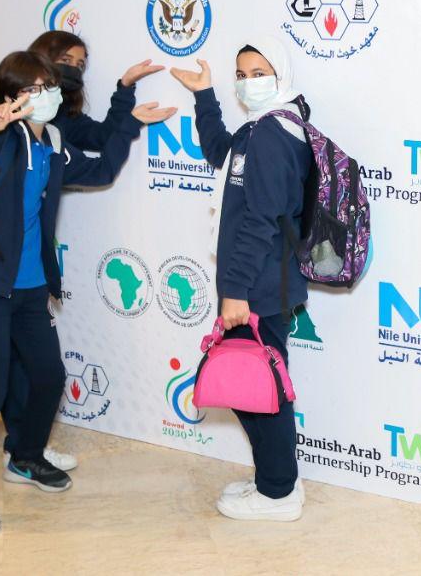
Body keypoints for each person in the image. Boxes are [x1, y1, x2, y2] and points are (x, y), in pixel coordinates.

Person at [0, 50, 145, 534]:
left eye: (50, 86)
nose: (46, 96)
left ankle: (25, 457)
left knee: (48, 375)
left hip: (30, 286)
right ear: (11, 98)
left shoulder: (54, 142)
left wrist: (128, 121)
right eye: (34, 89)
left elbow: (101, 171)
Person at [0, 31, 174, 471]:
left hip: (30, 273)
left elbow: (103, 153)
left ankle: (23, 449)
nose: (72, 70)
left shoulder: (59, 130)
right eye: (63, 60)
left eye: (80, 64)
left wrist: (125, 95)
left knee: (34, 368)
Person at [170, 38, 310, 521]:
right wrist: (205, 95)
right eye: (241, 73)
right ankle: (277, 481)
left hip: (259, 284)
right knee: (263, 384)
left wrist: (235, 291)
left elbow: (260, 220)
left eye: (259, 72)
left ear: (281, 74)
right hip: (261, 280)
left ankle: (277, 494)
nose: (248, 82)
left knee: (260, 390)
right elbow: (220, 154)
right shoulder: (261, 128)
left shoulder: (274, 134)